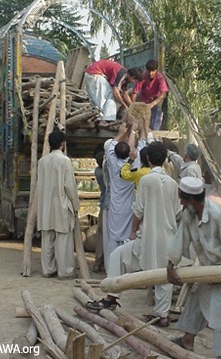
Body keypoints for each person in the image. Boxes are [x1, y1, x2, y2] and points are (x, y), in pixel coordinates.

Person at [86, 141, 182, 328]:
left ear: (147, 158)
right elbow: (177, 212)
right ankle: (162, 315)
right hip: (168, 237)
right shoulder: (172, 183)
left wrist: (132, 232)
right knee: (164, 274)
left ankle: (112, 296)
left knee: (117, 256)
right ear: (163, 160)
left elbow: (138, 210)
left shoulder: (146, 181)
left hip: (146, 237)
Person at [166, 177, 221, 359]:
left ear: (191, 199)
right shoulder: (189, 214)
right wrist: (170, 266)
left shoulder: (218, 216)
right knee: (196, 299)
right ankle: (187, 339)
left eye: (182, 198)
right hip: (206, 269)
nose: (180, 201)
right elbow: (180, 239)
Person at [37, 130, 80, 280]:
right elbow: (69, 186)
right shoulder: (65, 161)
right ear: (62, 144)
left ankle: (47, 269)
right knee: (63, 238)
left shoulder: (42, 161)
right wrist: (75, 205)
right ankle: (64, 271)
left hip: (45, 204)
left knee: (47, 236)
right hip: (61, 204)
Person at [105, 119, 147, 267]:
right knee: (127, 238)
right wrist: (138, 129)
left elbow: (110, 146)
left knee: (113, 237)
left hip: (115, 206)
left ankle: (112, 267)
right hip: (129, 207)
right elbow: (140, 146)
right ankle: (126, 268)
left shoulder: (112, 161)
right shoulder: (134, 164)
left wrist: (121, 133)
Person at [132, 59, 168, 130]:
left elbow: (163, 94)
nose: (150, 73)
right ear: (146, 69)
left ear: (156, 70)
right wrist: (133, 105)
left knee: (157, 113)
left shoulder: (160, 78)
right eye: (149, 71)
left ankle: (155, 132)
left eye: (153, 71)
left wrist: (152, 104)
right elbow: (135, 92)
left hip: (155, 100)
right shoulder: (143, 76)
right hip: (144, 99)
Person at [92, 150, 106, 273]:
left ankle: (98, 262)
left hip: (103, 203)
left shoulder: (97, 171)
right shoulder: (105, 173)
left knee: (101, 234)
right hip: (110, 205)